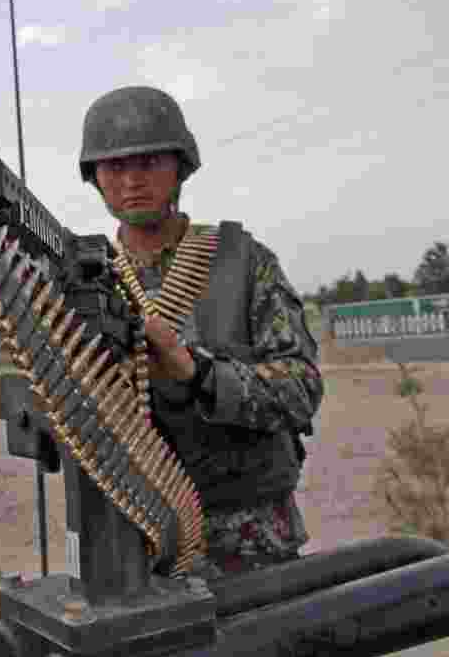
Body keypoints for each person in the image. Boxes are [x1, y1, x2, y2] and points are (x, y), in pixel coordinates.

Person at [78, 86, 324, 579]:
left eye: (148, 162)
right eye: (114, 167)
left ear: (180, 167)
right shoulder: (82, 281)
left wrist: (200, 374)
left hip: (247, 543)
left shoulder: (241, 262)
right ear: (96, 178)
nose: (131, 180)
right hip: (132, 548)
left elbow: (301, 388)